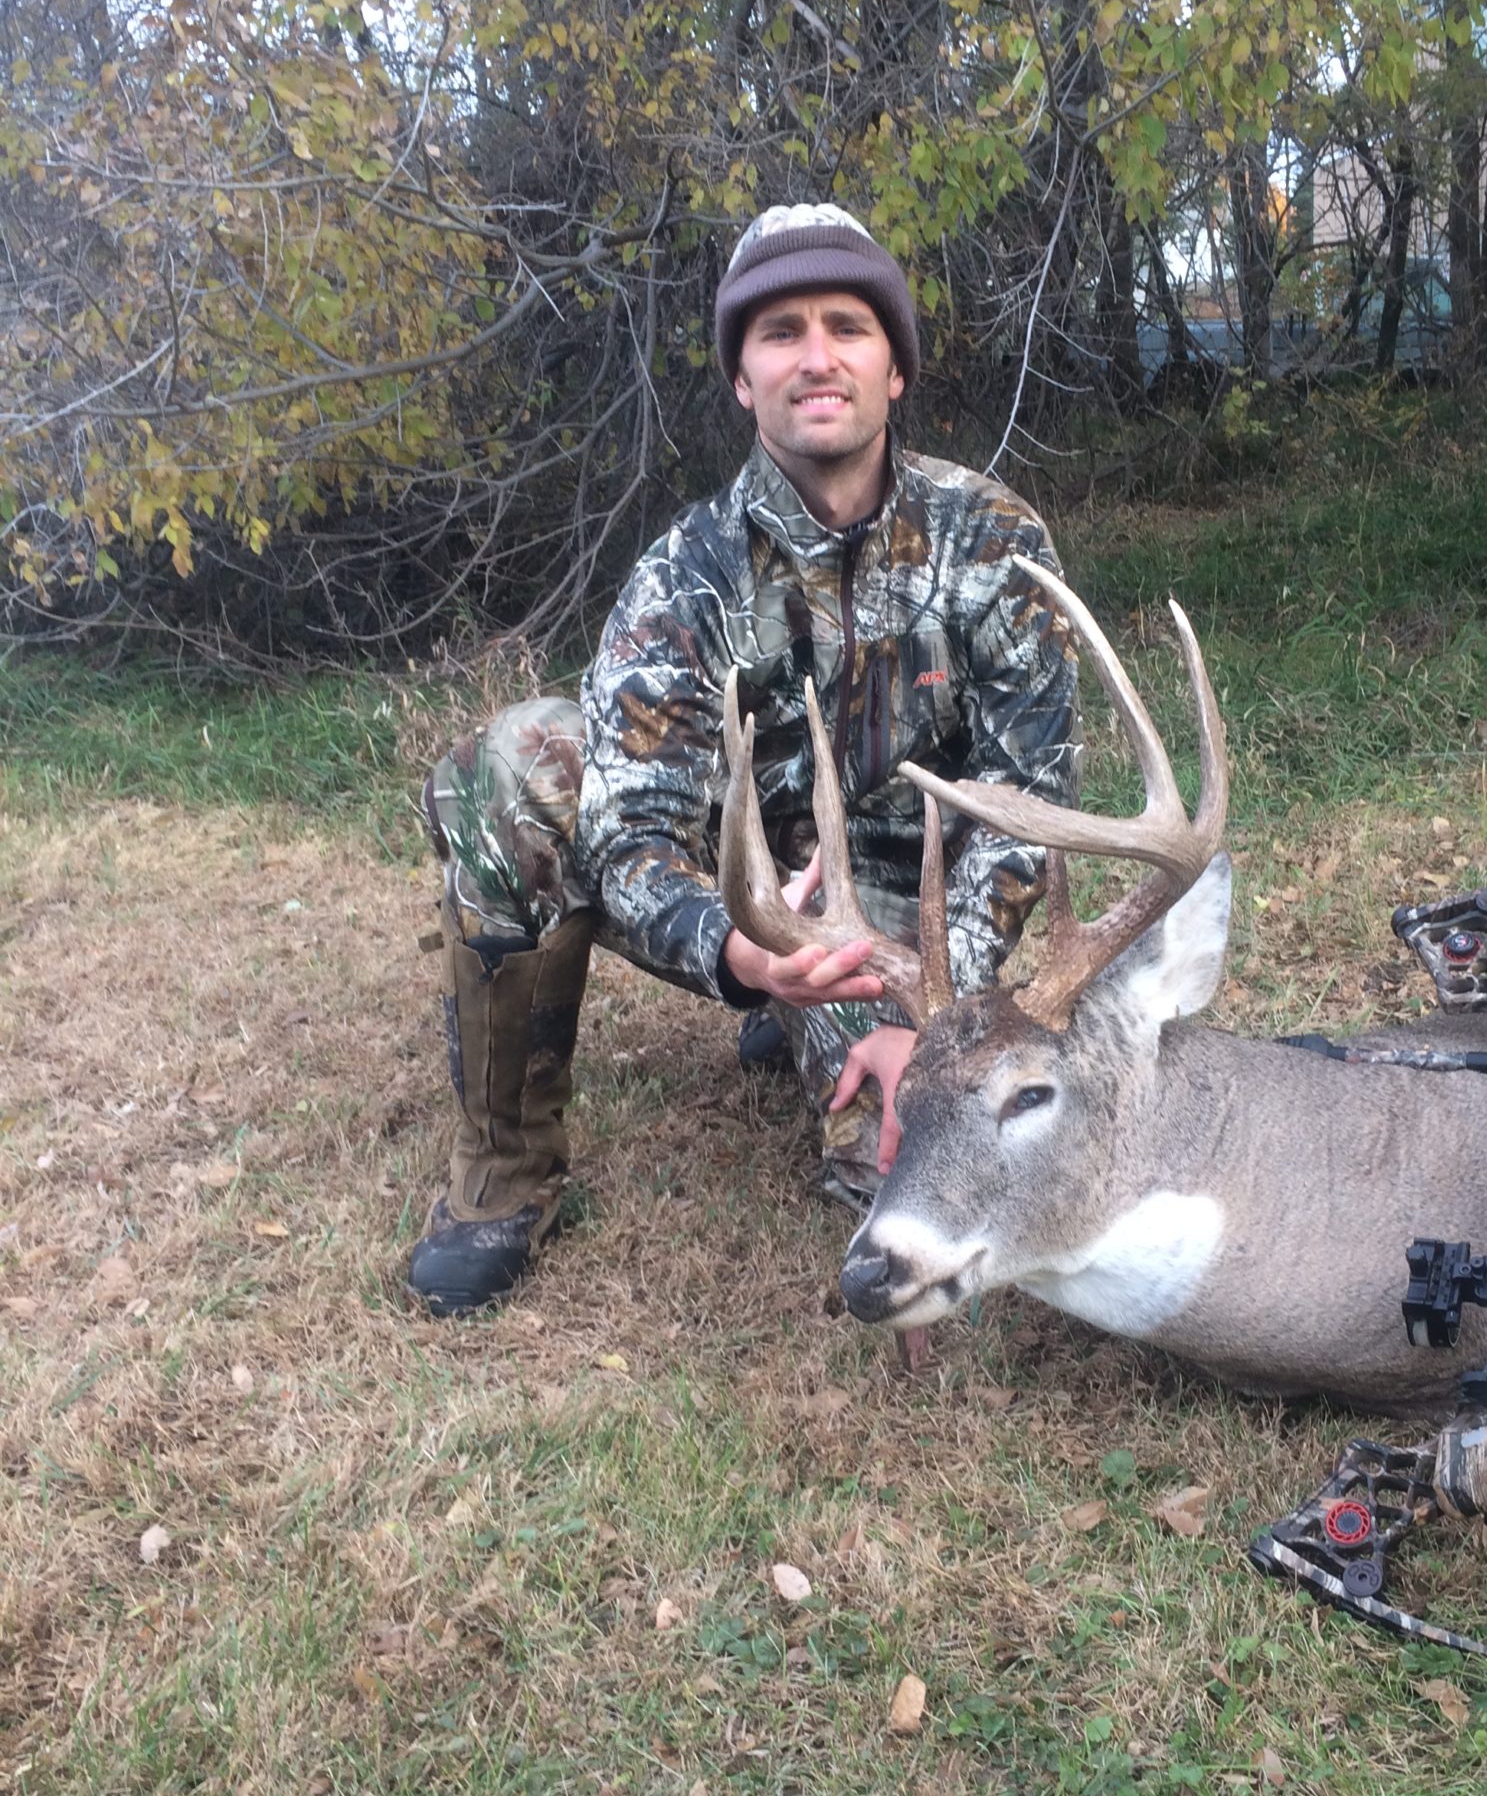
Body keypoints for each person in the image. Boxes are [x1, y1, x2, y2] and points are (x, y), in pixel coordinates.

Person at [408, 201, 1081, 1314]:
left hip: (915, 935)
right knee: (520, 764)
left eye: (846, 326)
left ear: (895, 368)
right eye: (779, 333)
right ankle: (503, 1177)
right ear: (741, 377)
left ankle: (827, 1037)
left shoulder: (995, 539)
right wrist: (741, 951)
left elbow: (1029, 808)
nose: (816, 357)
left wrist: (928, 1017)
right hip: (762, 902)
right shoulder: (688, 576)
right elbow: (628, 830)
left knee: (892, 1169)